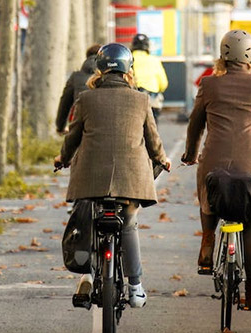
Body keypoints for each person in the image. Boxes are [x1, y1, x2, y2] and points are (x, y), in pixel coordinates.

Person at [54, 43, 171, 308]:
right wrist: (162, 160)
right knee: (128, 224)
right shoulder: (141, 99)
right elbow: (153, 141)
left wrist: (62, 159)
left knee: (89, 218)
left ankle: (86, 276)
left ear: (100, 68)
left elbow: (73, 138)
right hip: (131, 179)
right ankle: (136, 287)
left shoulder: (85, 98)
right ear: (129, 70)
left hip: (91, 177)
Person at [181, 30, 251, 311]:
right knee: (250, 223)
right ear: (250, 57)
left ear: (223, 54)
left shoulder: (209, 84)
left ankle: (208, 239)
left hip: (216, 163)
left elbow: (195, 124)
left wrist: (190, 154)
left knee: (207, 196)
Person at [55, 44, 101, 135]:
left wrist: (60, 127)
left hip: (81, 126)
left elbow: (65, 103)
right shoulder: (108, 77)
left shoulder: (75, 77)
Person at [131, 33, 168, 123]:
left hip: (134, 99)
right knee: (152, 127)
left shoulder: (129, 59)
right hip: (151, 100)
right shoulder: (154, 60)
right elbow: (163, 84)